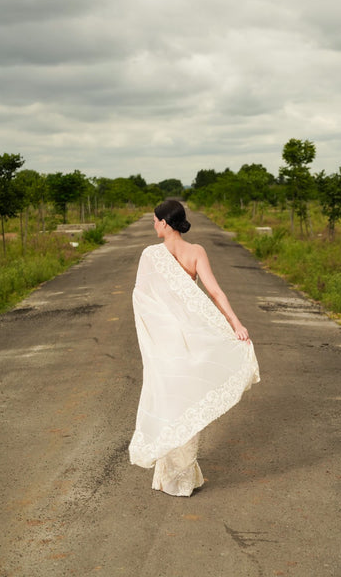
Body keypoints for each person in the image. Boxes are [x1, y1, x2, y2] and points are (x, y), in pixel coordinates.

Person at [129, 200, 260, 496]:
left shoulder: (150, 255)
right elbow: (215, 292)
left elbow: (143, 302)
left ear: (165, 223)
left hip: (167, 345)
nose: (152, 225)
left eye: (154, 220)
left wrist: (155, 339)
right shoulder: (196, 252)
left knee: (171, 402)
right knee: (186, 402)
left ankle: (173, 479)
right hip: (193, 341)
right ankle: (180, 478)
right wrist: (236, 325)